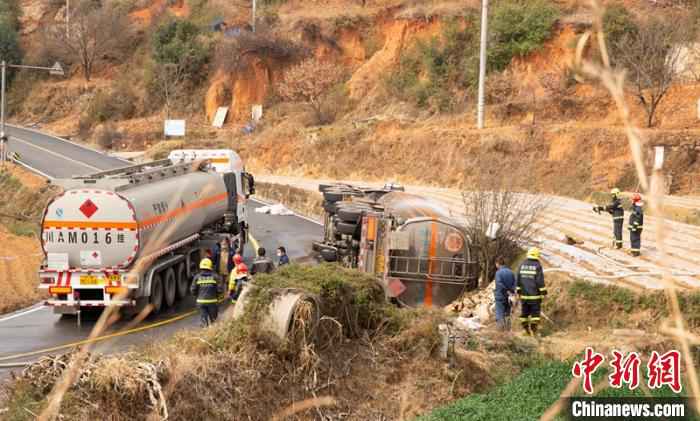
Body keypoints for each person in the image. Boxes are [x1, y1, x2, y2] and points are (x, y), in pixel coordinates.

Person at [516, 247, 546, 336]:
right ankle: (534, 329)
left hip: (524, 296)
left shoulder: (522, 264)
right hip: (535, 296)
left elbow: (518, 279)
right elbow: (539, 281)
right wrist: (543, 292)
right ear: (537, 255)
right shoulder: (537, 265)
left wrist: (519, 291)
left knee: (524, 313)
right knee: (535, 313)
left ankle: (526, 329)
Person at [191, 258, 222, 327]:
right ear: (210, 267)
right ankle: (213, 334)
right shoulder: (215, 277)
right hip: (212, 302)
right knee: (214, 321)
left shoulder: (197, 277)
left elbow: (193, 290)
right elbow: (220, 290)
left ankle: (204, 330)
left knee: (204, 321)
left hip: (200, 302)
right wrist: (217, 296)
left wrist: (197, 296)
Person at [494, 257, 516, 331]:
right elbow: (515, 284)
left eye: (496, 264)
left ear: (498, 263)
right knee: (507, 313)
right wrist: (511, 292)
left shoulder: (498, 273)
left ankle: (500, 331)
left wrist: (506, 290)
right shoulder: (511, 272)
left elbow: (499, 284)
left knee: (499, 313)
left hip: (500, 296)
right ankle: (508, 330)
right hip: (509, 297)